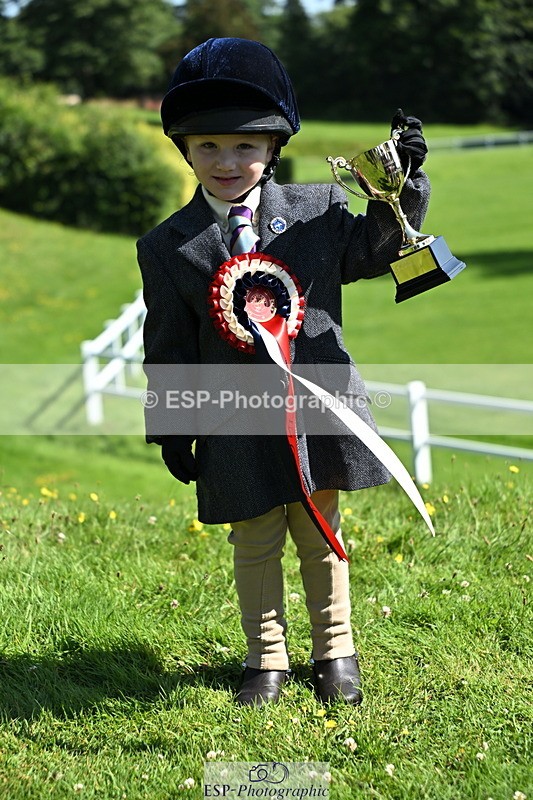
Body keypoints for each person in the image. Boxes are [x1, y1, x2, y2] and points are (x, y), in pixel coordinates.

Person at [137, 37, 430, 706]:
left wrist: (404, 188)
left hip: (319, 406)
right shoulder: (166, 245)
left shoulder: (318, 210)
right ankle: (265, 659)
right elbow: (168, 344)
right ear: (185, 150)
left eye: (244, 147)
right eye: (207, 146)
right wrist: (172, 428)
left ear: (272, 148)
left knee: (321, 535)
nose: (226, 161)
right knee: (256, 540)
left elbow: (375, 250)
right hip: (232, 423)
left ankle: (335, 652)